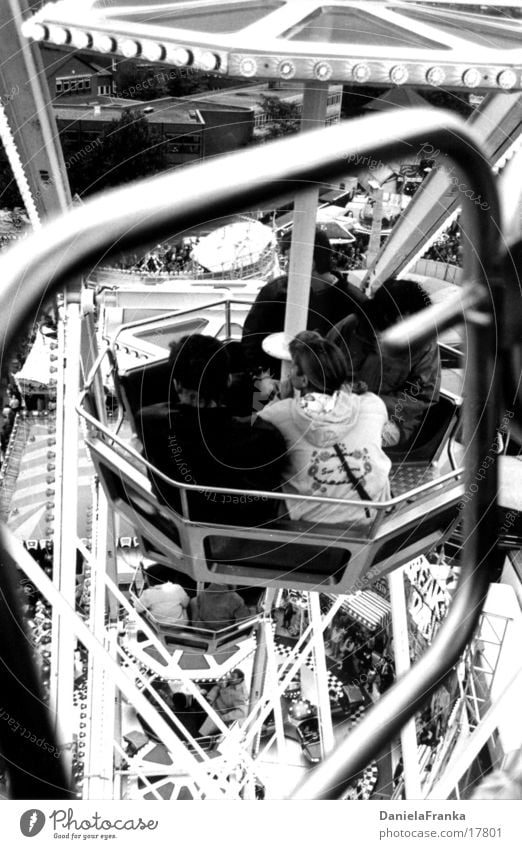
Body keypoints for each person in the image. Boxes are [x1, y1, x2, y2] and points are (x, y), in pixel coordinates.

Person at [136, 334, 286, 525]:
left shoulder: (150, 423)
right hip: (248, 533)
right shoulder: (264, 438)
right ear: (228, 381)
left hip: (183, 522)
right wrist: (274, 405)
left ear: (176, 384)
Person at [257, 331, 391, 525]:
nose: (288, 372)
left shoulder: (278, 414)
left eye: (292, 366)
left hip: (314, 524)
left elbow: (254, 432)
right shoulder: (372, 404)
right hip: (374, 517)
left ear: (303, 380)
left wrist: (278, 400)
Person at [327, 277, 440, 446]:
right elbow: (322, 362)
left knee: (352, 440)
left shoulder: (425, 346)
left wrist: (369, 402)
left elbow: (423, 396)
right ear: (386, 314)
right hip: (338, 403)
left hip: (391, 419)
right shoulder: (352, 326)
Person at [241, 228, 369, 375]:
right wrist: (262, 378)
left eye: (290, 261)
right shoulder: (275, 292)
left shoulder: (355, 304)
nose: (287, 268)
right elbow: (251, 340)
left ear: (311, 263)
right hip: (270, 382)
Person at [199, 668, 249, 737]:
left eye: (233, 677)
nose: (230, 678)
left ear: (239, 679)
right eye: (231, 676)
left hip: (218, 715)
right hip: (212, 705)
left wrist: (224, 718)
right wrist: (210, 699)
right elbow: (218, 688)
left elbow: (242, 712)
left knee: (202, 734)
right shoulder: (230, 683)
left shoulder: (240, 694)